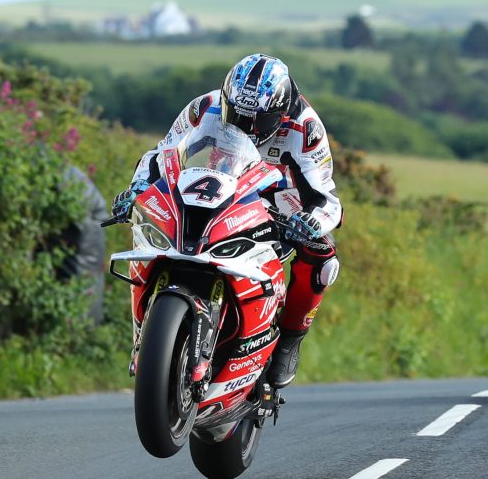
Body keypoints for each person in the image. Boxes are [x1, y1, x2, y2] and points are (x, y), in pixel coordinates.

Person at [112, 54, 342, 388]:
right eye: (237, 116)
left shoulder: (305, 128)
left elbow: (325, 197)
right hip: (215, 183)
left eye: (257, 122)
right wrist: (136, 190)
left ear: (280, 111)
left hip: (278, 199)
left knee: (323, 257)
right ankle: (148, 330)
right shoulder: (203, 107)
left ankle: (291, 339)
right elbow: (160, 155)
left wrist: (311, 222)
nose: (245, 127)